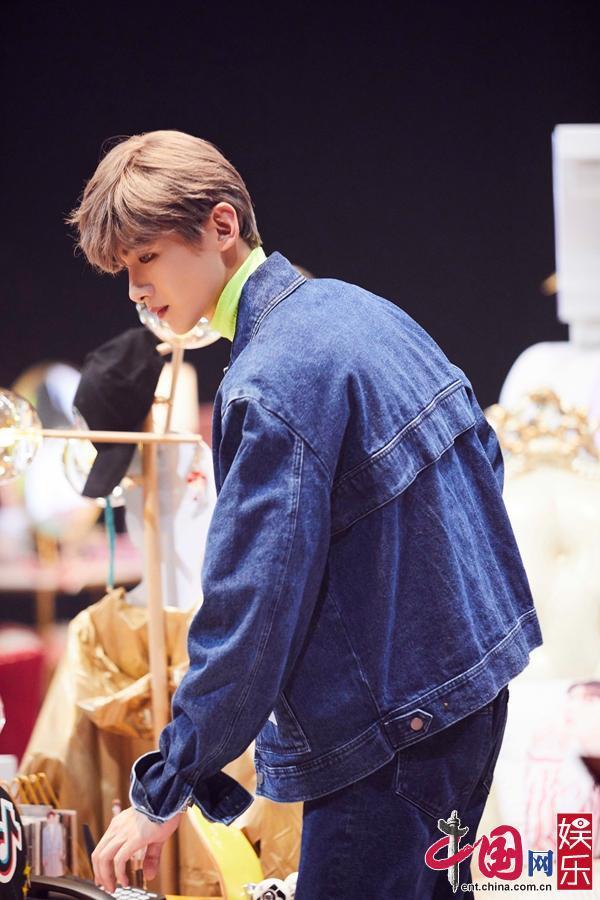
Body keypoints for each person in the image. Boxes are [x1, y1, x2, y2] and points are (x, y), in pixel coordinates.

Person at [68, 130, 542, 899]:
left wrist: (165, 785)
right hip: (467, 698)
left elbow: (252, 606)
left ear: (222, 225)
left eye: (146, 256)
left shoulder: (271, 379)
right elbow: (484, 458)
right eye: (123, 268)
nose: (135, 288)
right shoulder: (361, 310)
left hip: (395, 730)